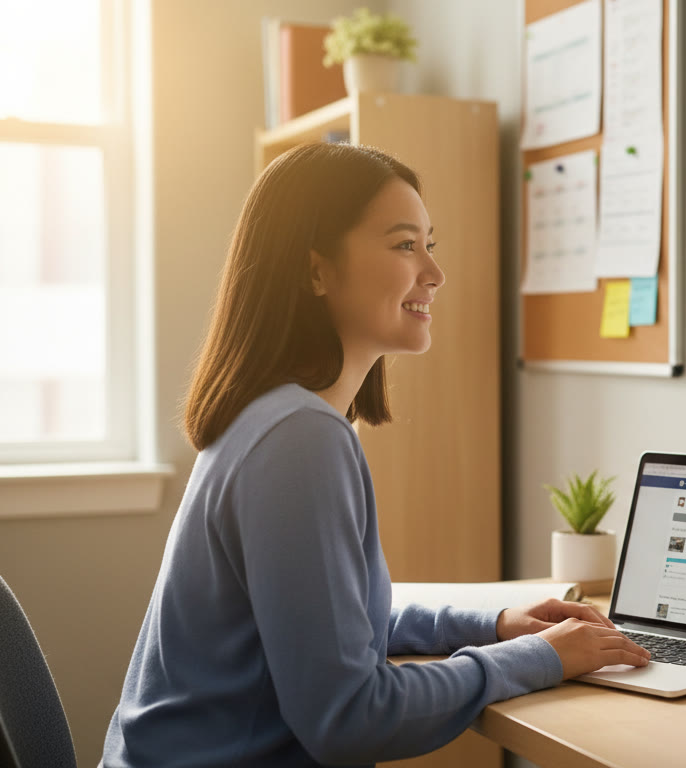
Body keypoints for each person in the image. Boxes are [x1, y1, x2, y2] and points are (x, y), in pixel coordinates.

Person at [101, 143, 649, 767]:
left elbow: (337, 629)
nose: (434, 274)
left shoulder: (276, 417)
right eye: (403, 244)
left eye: (429, 244)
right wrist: (543, 659)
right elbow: (351, 716)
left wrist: (496, 625)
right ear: (315, 271)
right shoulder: (298, 442)